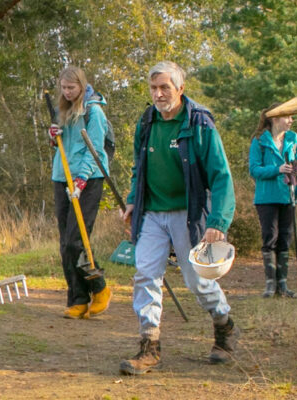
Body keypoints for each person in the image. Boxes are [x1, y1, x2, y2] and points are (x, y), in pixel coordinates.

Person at [119, 61, 238, 375]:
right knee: (145, 274)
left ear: (180, 89)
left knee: (197, 282)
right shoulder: (146, 123)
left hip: (190, 214)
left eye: (165, 88)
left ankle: (224, 326)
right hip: (152, 214)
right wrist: (133, 201)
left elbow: (221, 177)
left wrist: (218, 222)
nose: (159, 94)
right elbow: (138, 169)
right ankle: (149, 347)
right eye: (154, 88)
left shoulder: (200, 124)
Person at [47, 66, 112, 319]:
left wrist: (82, 178)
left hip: (88, 178)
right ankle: (78, 299)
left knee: (77, 240)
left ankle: (100, 288)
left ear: (82, 86)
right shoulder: (62, 110)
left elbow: (94, 148)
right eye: (63, 88)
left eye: (71, 88)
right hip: (61, 176)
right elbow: (60, 145)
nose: (67, 92)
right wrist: (53, 137)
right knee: (65, 244)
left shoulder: (93, 112)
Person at [248, 105, 297, 298]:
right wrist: (276, 170)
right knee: (270, 237)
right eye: (287, 117)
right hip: (266, 197)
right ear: (274, 119)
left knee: (285, 238)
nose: (291, 121)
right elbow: (254, 170)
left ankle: (283, 285)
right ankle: (270, 284)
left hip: (288, 196)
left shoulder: (293, 139)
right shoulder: (259, 141)